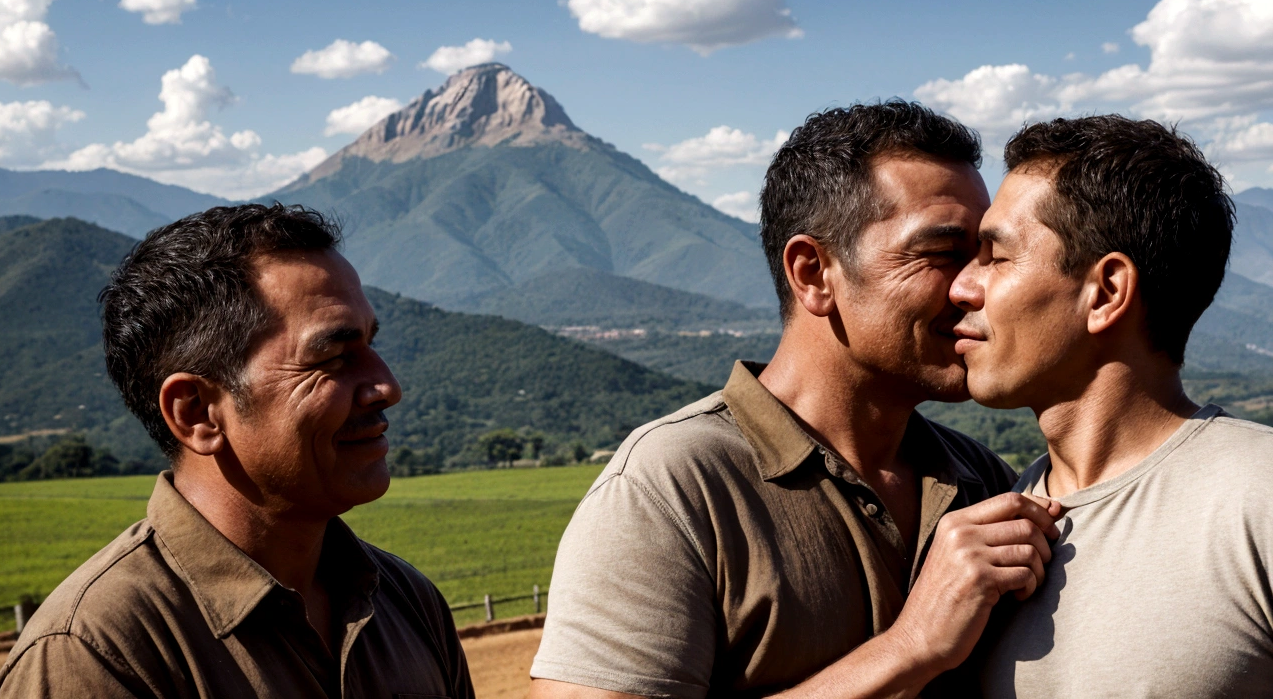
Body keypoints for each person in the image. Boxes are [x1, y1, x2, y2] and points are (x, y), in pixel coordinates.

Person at [529, 101, 1062, 699]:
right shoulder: (674, 486)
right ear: (812, 273)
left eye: (986, 256)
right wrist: (909, 649)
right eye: (942, 254)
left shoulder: (980, 479)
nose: (973, 286)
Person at [0, 205, 474, 698]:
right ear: (197, 412)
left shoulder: (407, 601)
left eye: (371, 344)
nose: (387, 386)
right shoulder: (95, 655)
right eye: (330, 357)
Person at [949, 115, 1273, 696]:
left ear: (1106, 293)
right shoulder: (982, 535)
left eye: (996, 258)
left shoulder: (1258, 499)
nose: (962, 287)